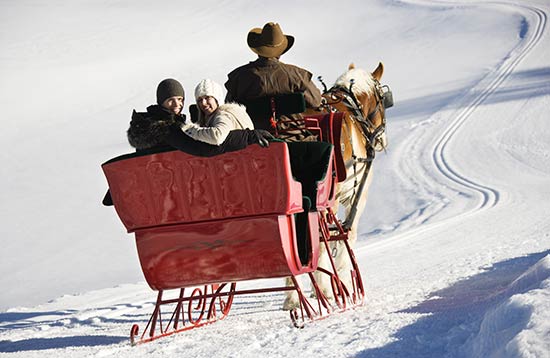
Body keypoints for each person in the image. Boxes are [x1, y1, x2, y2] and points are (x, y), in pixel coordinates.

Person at [224, 22, 323, 137]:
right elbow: (316, 101)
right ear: (280, 51)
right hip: (293, 137)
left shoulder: (238, 77)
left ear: (258, 49)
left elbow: (229, 107)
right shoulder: (297, 75)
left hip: (254, 138)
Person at [127, 78, 272, 156]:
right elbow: (202, 148)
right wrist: (247, 137)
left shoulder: (154, 121)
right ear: (161, 102)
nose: (177, 104)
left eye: (180, 99)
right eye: (170, 99)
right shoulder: (164, 126)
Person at [180, 79, 254, 145]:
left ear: (217, 99)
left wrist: (190, 130)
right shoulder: (216, 116)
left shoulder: (224, 115)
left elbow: (217, 136)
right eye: (200, 100)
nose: (203, 103)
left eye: (207, 97)